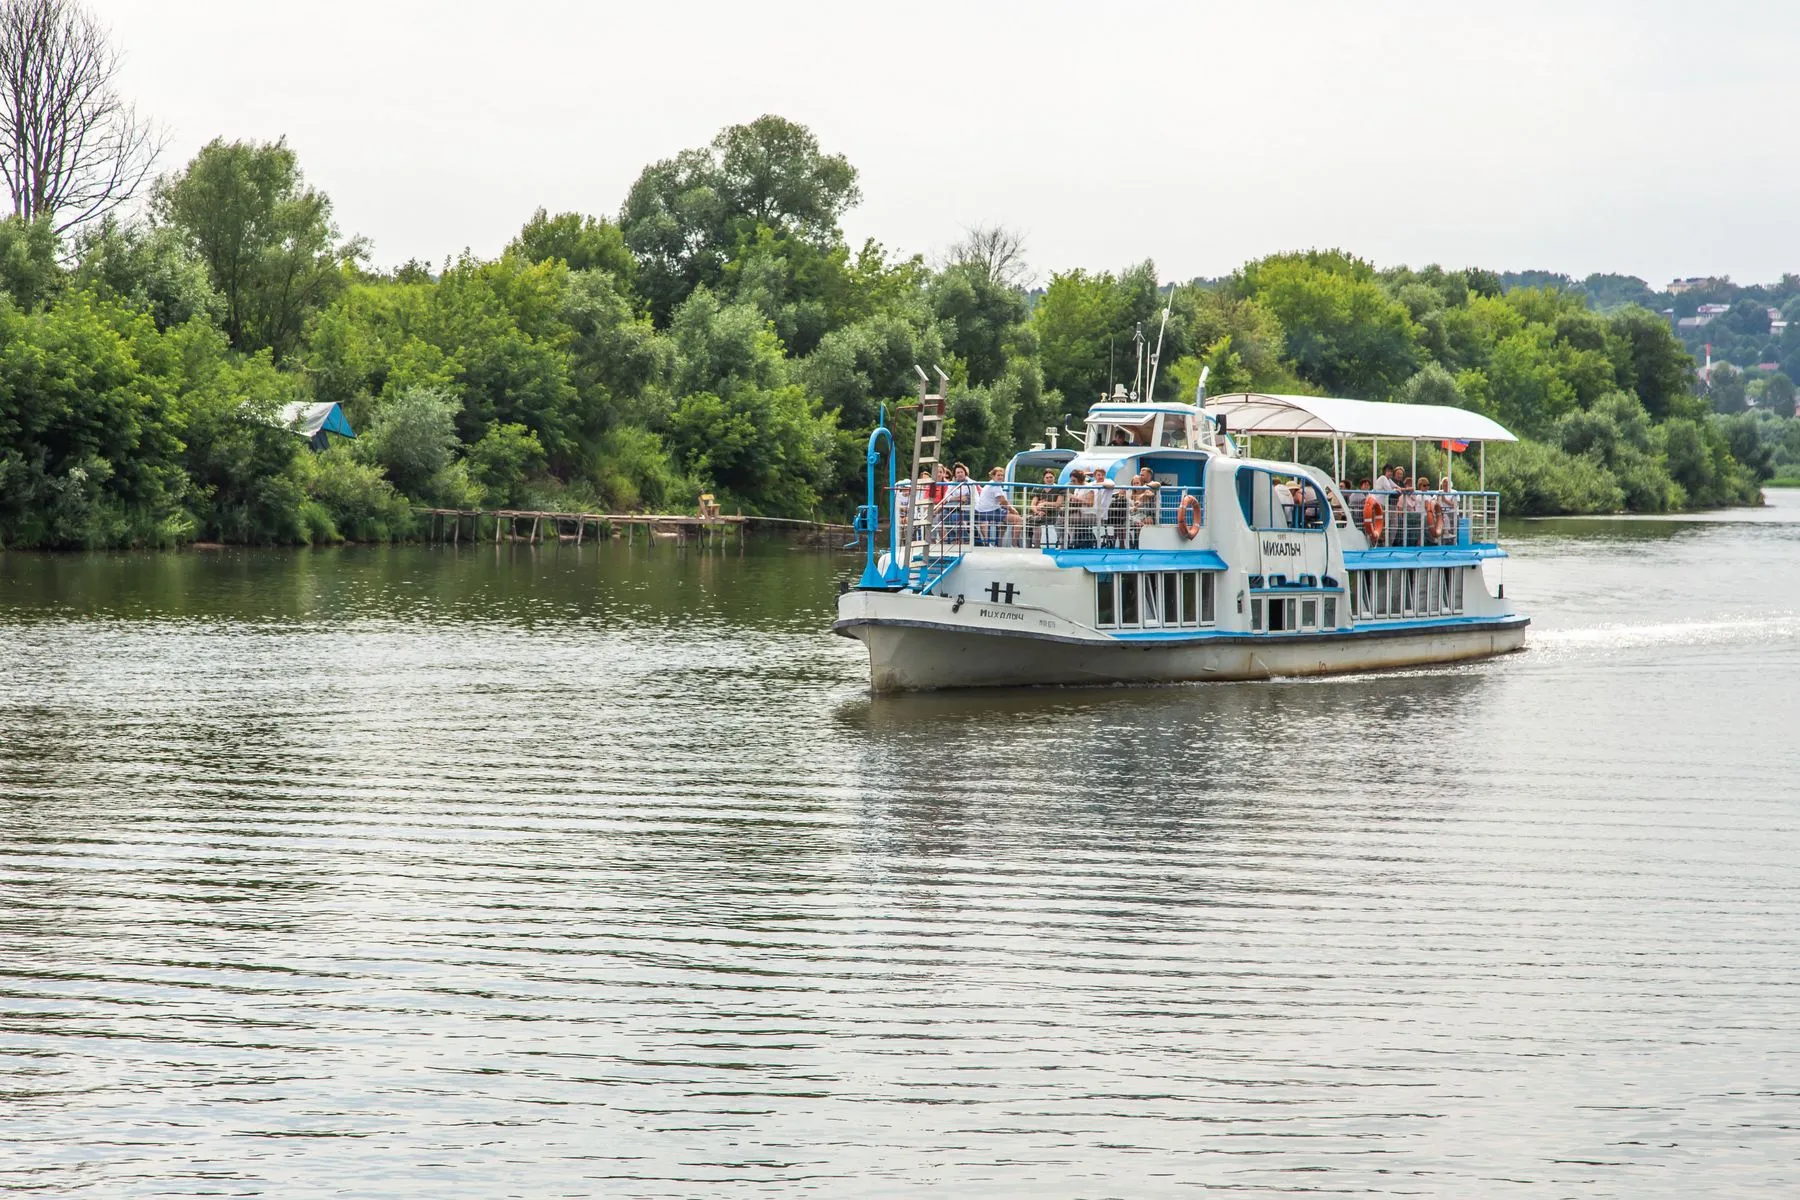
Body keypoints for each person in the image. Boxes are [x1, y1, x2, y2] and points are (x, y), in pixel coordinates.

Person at [974, 467, 1019, 546]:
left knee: (1004, 522)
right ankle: (1014, 545)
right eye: (998, 475)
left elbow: (1001, 502)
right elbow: (1003, 502)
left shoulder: (990, 484)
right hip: (989, 512)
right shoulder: (996, 486)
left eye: (1002, 475)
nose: (1000, 477)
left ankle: (999, 544)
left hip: (983, 512)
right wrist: (1013, 510)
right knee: (1018, 520)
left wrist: (1008, 509)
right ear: (993, 476)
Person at [940, 463, 974, 544]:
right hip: (955, 507)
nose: (960, 474)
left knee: (955, 516)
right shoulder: (952, 483)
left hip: (969, 508)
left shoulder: (970, 483)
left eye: (961, 472)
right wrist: (958, 498)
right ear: (955, 474)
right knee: (944, 514)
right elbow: (946, 497)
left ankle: (966, 539)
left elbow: (967, 499)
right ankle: (953, 539)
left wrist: (953, 498)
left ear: (965, 473)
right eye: (958, 473)